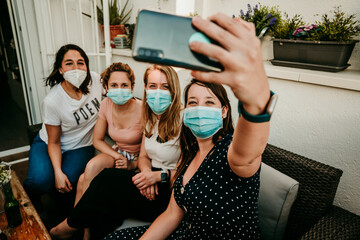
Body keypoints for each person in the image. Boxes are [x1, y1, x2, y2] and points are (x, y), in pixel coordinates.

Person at [104, 13, 272, 239]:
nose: (199, 108)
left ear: (224, 112)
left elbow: (251, 147)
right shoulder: (187, 157)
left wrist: (256, 97)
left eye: (209, 102)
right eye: (192, 102)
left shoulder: (231, 152)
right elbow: (171, 215)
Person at [50, 64, 183, 239]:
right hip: (149, 176)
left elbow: (189, 172)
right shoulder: (152, 116)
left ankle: (68, 227)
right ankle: (81, 228)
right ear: (145, 89)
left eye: (165, 87)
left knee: (107, 180)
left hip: (170, 188)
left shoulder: (183, 119)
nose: (158, 92)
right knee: (99, 183)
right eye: (152, 86)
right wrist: (146, 174)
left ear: (174, 89)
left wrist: (158, 177)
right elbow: (144, 156)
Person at [23, 44, 103, 211]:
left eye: (81, 62)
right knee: (40, 181)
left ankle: (57, 210)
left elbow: (115, 92)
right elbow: (54, 142)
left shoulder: (95, 80)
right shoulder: (52, 101)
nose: (76, 68)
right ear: (60, 69)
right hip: (49, 143)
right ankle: (31, 199)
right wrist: (57, 171)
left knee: (70, 180)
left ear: (87, 66)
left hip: (80, 145)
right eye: (69, 63)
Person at [74, 62, 143, 207]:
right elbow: (97, 140)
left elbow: (149, 151)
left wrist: (132, 164)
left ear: (132, 87)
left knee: (83, 181)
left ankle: (79, 225)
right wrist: (117, 156)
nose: (119, 89)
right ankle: (83, 227)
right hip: (117, 153)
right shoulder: (106, 104)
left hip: (137, 160)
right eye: (114, 85)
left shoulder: (143, 109)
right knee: (89, 170)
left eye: (124, 85)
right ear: (106, 88)